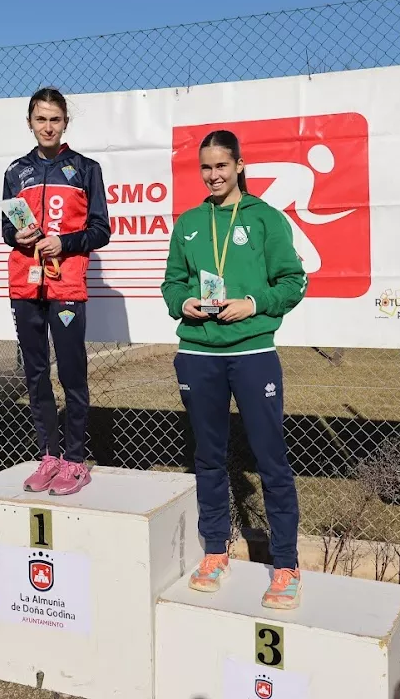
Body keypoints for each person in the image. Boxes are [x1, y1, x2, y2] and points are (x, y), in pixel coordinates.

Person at [160, 129, 308, 610]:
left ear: (239, 166)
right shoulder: (189, 222)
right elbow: (171, 283)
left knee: (270, 458)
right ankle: (215, 552)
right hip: (198, 353)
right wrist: (184, 303)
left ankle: (285, 564)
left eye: (222, 165)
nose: (213, 175)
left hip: (252, 353)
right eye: (206, 167)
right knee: (208, 457)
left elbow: (293, 281)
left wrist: (252, 303)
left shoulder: (265, 218)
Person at [2, 88, 111, 496]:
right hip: (25, 284)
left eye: (55, 119)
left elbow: (101, 230)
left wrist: (63, 242)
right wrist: (17, 235)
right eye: (41, 119)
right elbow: (6, 227)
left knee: (71, 372)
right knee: (34, 373)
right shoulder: (16, 171)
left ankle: (75, 460)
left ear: (66, 123)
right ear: (29, 123)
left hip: (66, 284)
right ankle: (49, 455)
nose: (48, 127)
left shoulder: (85, 169)